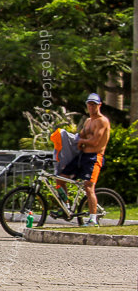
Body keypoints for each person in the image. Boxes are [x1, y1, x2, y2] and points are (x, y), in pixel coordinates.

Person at [62, 93, 112, 226]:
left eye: (94, 104)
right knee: (61, 177)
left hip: (94, 157)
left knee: (89, 186)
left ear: (99, 105)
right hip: (82, 156)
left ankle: (93, 219)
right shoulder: (88, 121)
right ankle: (66, 207)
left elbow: (95, 141)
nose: (91, 107)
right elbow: (80, 136)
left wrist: (81, 141)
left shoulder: (102, 121)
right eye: (89, 104)